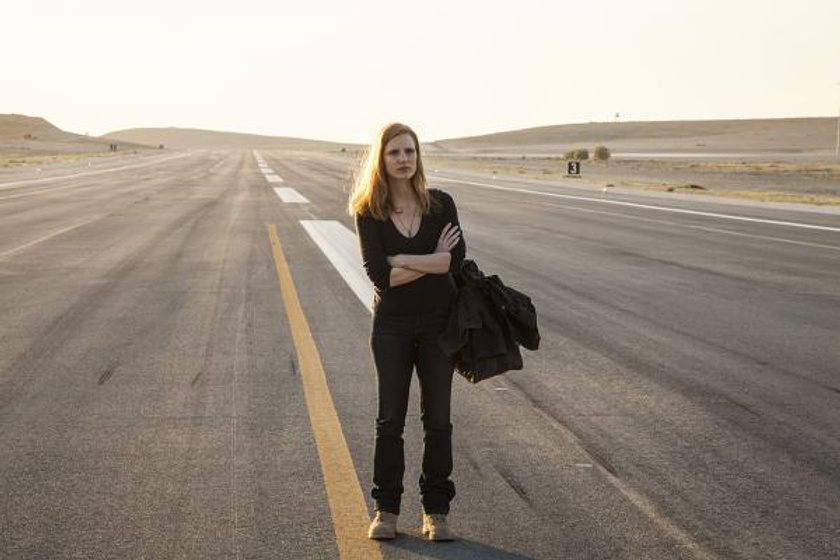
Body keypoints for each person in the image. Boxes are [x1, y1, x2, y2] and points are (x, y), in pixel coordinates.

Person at [349, 123, 466, 541]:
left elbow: (454, 264)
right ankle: (386, 511)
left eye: (409, 152)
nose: (403, 159)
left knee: (438, 420)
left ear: (418, 157)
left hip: (439, 324)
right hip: (392, 327)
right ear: (381, 159)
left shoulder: (441, 205)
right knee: (389, 420)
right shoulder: (369, 210)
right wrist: (430, 258)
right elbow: (380, 277)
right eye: (394, 152)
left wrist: (404, 259)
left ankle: (436, 511)